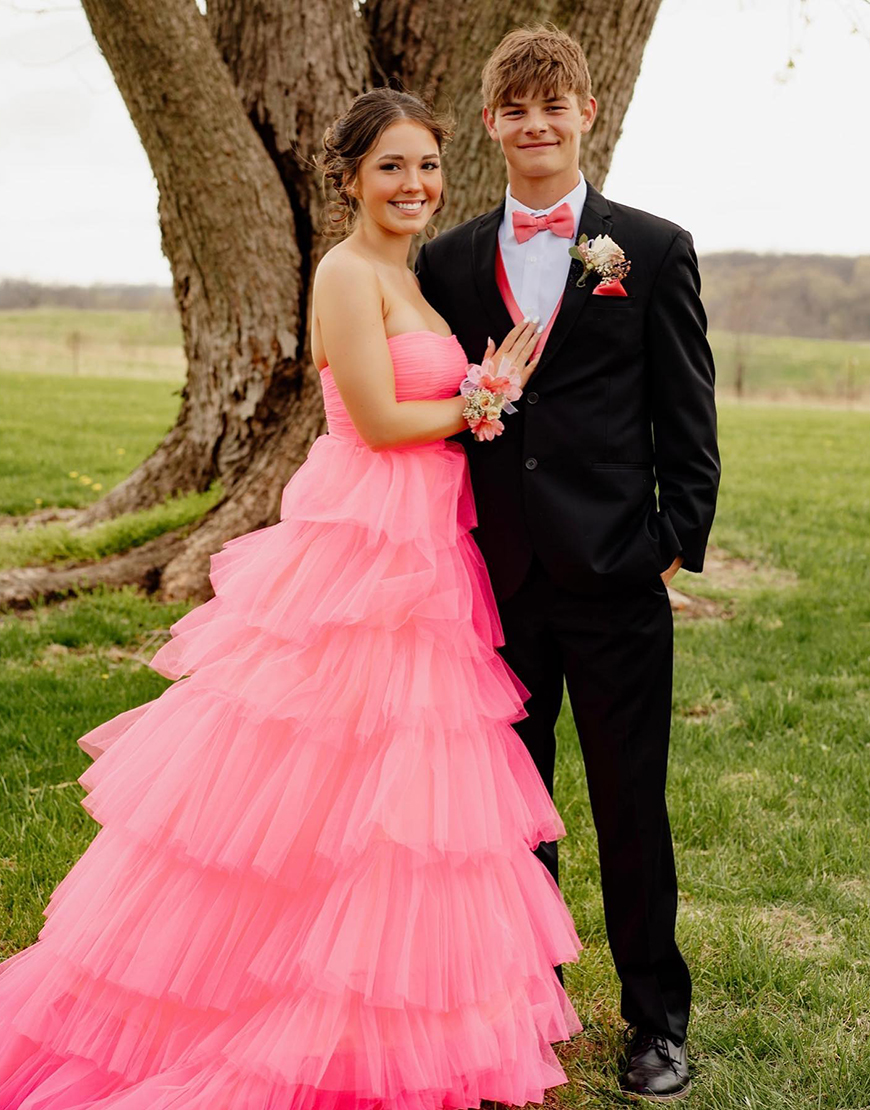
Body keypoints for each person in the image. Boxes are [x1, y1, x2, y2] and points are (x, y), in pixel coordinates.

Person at [0, 87, 585, 1110]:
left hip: (428, 542)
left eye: (428, 167)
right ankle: (270, 994)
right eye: (393, 167)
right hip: (364, 540)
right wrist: (487, 398)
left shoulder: (412, 273)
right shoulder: (346, 272)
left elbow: (429, 406)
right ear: (351, 178)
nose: (416, 186)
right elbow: (377, 416)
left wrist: (481, 382)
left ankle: (386, 1007)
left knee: (407, 790)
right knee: (320, 766)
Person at [415, 23, 721, 1104]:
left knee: (630, 803)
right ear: (491, 121)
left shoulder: (652, 248)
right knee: (509, 810)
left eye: (556, 106)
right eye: (516, 109)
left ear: (588, 112)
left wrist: (668, 545)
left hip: (615, 578)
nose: (536, 124)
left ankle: (655, 1022)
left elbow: (687, 421)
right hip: (494, 586)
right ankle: (526, 1008)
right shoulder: (446, 260)